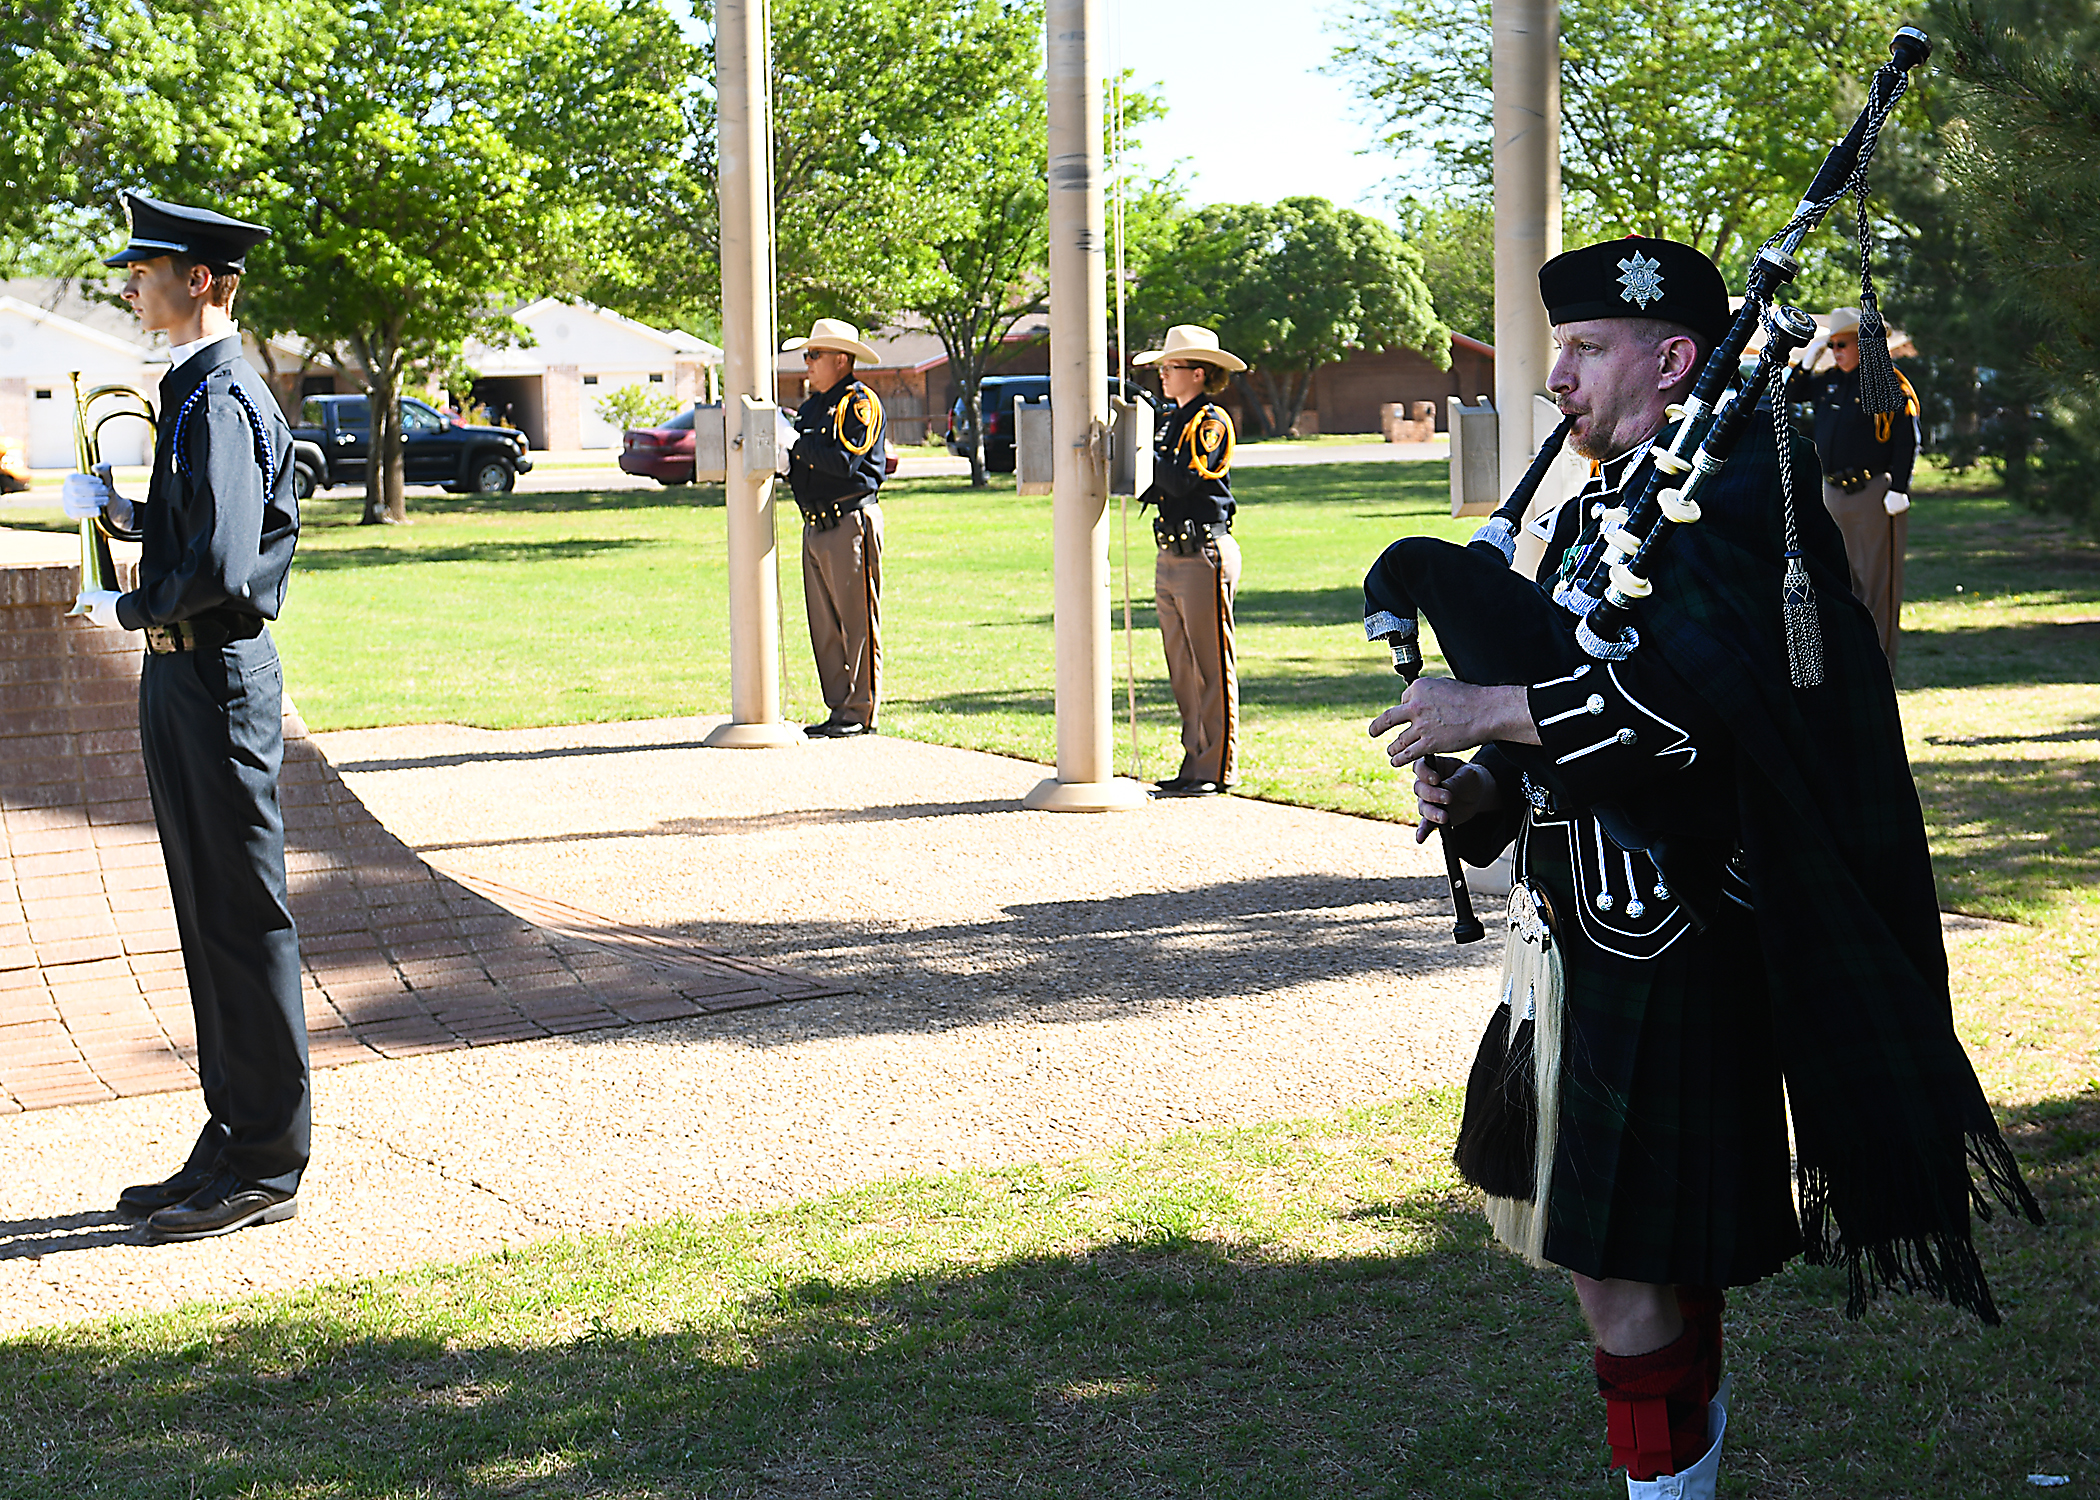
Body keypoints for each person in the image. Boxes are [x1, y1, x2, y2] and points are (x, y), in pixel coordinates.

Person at [1368, 237, 2038, 1499]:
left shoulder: (1732, 504)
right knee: (1635, 1269)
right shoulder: (1595, 511)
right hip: (1578, 937)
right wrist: (1477, 792)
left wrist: (1489, 709)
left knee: (1619, 1274)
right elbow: (1568, 714)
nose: (1556, 377)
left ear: (1673, 360)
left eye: (1585, 351)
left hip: (1673, 941)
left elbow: (1682, 725)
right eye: (1556, 349)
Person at [64, 191, 308, 1242]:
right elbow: (202, 529)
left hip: (208, 672)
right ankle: (234, 1128)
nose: (132, 285)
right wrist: (122, 512)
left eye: (145, 269)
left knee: (240, 920)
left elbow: (216, 570)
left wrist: (122, 601)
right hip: (187, 676)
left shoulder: (217, 394)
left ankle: (265, 1160)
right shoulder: (199, 388)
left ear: (197, 279)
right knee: (207, 915)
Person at [1133, 324, 1245, 797]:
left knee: (1210, 664)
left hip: (1203, 553)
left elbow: (1180, 482)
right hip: (1171, 551)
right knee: (1181, 665)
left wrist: (1141, 446)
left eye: (1169, 367)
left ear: (1197, 373)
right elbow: (1152, 485)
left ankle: (1218, 765)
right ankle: (1194, 760)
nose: (1162, 374)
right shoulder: (1170, 420)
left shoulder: (1209, 421)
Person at [1787, 307, 1920, 662]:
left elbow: (1905, 438)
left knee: (1876, 583)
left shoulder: (1882, 381)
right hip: (1832, 492)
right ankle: (1847, 658)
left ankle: (1879, 662)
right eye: (1831, 345)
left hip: (1871, 493)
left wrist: (1900, 488)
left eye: (1842, 344)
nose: (1836, 351)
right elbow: (1791, 393)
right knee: (1837, 577)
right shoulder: (1832, 379)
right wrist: (1808, 359)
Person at [779, 318, 886, 738]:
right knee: (823, 623)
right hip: (816, 523)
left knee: (856, 621)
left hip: (849, 522)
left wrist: (795, 445)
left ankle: (861, 710)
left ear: (841, 360)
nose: (807, 363)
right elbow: (803, 464)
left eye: (814, 355)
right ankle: (839, 707)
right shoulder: (811, 407)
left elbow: (844, 462)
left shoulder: (858, 404)